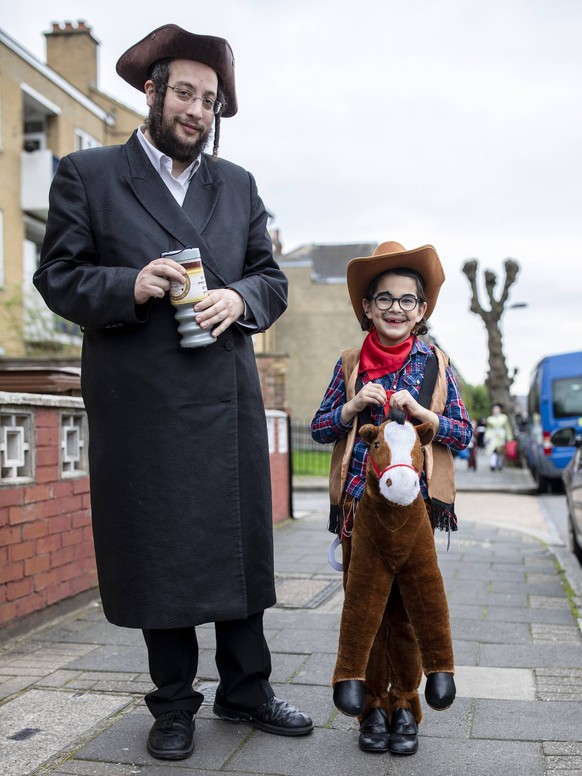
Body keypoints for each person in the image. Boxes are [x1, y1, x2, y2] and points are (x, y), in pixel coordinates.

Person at [33, 23, 312, 762]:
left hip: (224, 402)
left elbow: (272, 279)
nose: (197, 109)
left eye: (209, 99)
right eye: (184, 92)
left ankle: (247, 690)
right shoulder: (87, 175)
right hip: (141, 408)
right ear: (152, 93)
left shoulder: (239, 184)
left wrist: (239, 300)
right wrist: (131, 282)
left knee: (239, 549)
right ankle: (172, 705)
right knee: (160, 552)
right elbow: (58, 277)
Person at [311, 241, 472, 755]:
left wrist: (428, 419)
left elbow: (464, 432)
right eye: (385, 299)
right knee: (366, 611)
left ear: (421, 310)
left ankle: (406, 706)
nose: (396, 309)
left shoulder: (437, 363)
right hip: (361, 510)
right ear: (367, 307)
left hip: (417, 512)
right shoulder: (350, 362)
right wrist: (352, 406)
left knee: (407, 612)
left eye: (407, 300)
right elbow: (318, 428)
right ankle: (370, 710)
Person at [485, 402, 513, 471]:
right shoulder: (490, 419)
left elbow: (507, 428)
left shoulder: (504, 418)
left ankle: (500, 464)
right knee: (493, 450)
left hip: (501, 435)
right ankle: (493, 464)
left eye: (497, 409)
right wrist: (487, 436)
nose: (495, 410)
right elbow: (489, 428)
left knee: (500, 451)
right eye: (494, 409)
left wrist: (509, 437)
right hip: (493, 436)